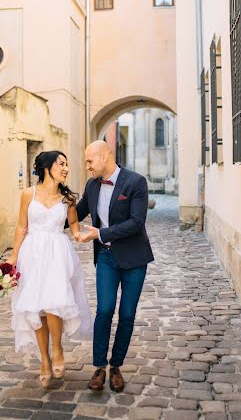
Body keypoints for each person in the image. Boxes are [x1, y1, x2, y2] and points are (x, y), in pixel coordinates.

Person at [7, 150, 92, 387]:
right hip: (32, 254)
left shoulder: (68, 199)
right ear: (47, 167)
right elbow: (22, 226)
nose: (66, 168)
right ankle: (44, 360)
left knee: (55, 303)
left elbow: (73, 223)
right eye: (61, 164)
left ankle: (57, 349)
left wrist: (79, 235)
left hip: (57, 253)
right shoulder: (28, 194)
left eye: (67, 164)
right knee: (36, 307)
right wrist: (14, 256)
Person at [77, 140, 154, 392]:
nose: (87, 166)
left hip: (134, 259)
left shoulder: (135, 182)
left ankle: (116, 366)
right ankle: (99, 367)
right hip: (107, 259)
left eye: (90, 161)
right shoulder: (91, 185)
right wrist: (43, 211)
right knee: (104, 310)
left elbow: (136, 222)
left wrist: (100, 234)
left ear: (105, 156)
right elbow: (75, 214)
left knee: (127, 315)